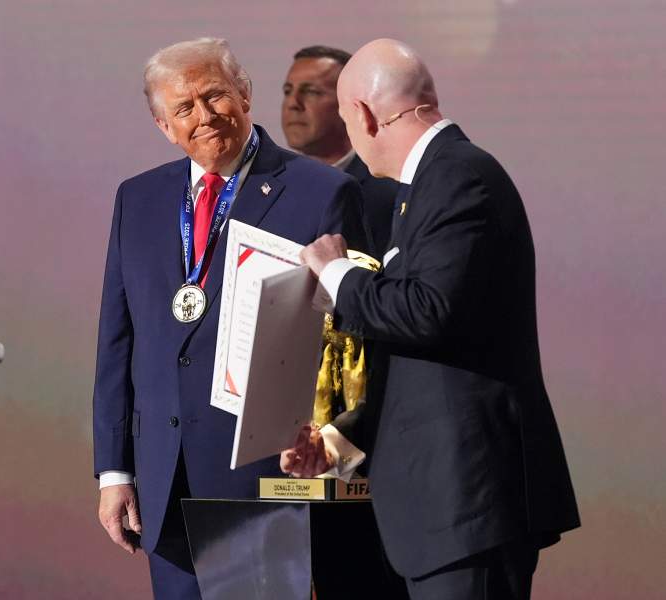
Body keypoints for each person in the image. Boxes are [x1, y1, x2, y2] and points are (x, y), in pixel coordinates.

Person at [281, 39, 580, 600]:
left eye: (346, 118)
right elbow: (417, 359)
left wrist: (335, 273)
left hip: (467, 502)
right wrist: (339, 442)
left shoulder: (458, 175)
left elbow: (427, 313)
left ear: (364, 116)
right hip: (443, 509)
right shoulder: (425, 187)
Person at [93, 37, 369, 599]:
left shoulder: (323, 192)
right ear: (163, 125)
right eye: (184, 108)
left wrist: (334, 444)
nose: (204, 116)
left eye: (214, 95)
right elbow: (117, 340)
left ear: (244, 94)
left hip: (267, 479)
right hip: (163, 481)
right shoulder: (138, 199)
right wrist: (115, 471)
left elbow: (353, 342)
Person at [282, 45, 398, 253]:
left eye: (311, 92)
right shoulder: (273, 185)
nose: (293, 103)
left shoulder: (387, 192)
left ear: (352, 106)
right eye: (288, 91)